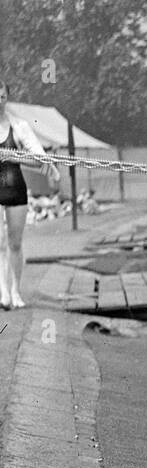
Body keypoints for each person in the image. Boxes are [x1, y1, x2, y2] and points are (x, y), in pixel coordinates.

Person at [0, 81, 60, 309]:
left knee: (15, 244)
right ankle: (3, 294)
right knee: (0, 243)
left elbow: (39, 159)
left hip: (15, 188)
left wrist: (14, 157)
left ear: (7, 98)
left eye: (2, 96)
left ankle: (16, 291)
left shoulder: (19, 126)